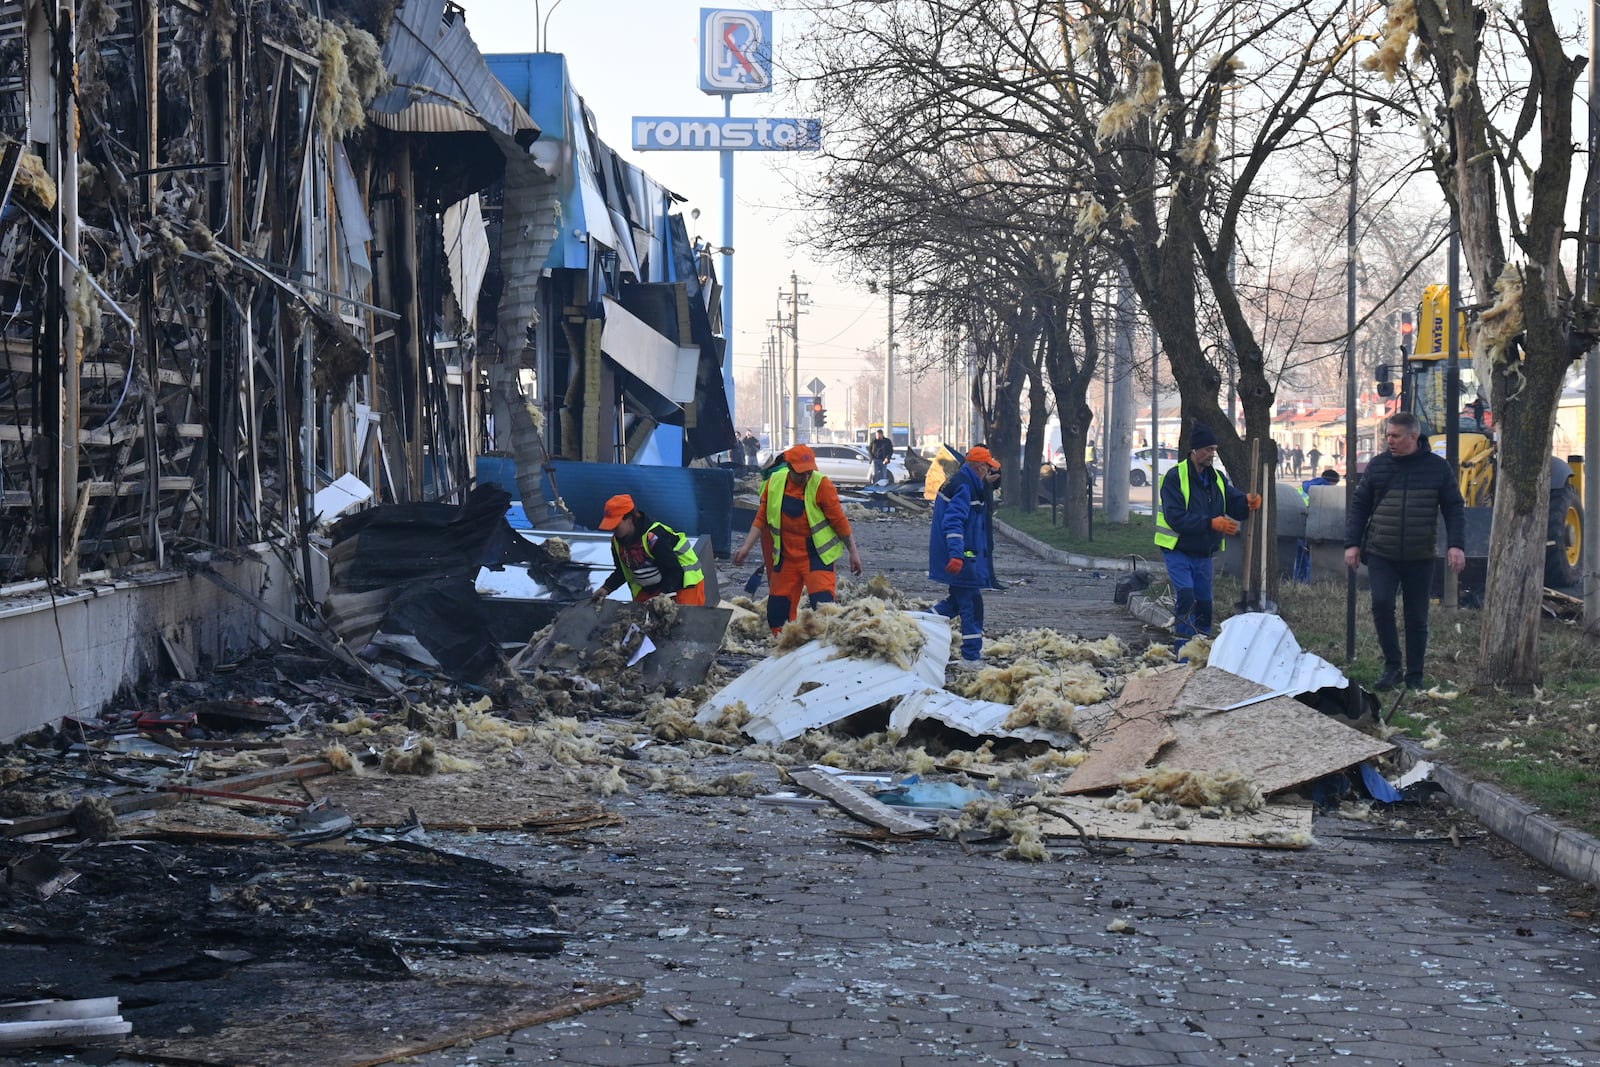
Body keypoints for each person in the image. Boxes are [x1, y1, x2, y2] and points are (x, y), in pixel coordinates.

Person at [1344, 412, 1466, 691]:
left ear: (1413, 436)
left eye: (1396, 436)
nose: (1390, 441)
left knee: (1416, 616)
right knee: (1382, 605)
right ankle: (1392, 667)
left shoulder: (1438, 468)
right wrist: (1351, 543)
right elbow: (1359, 505)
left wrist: (1456, 545)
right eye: (1387, 435)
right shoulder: (1378, 466)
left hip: (1419, 555)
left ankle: (1415, 675)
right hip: (1381, 553)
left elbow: (1454, 508)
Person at [732, 444, 863, 634]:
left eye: (809, 472)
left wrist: (854, 553)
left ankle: (821, 652)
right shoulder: (775, 482)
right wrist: (746, 548)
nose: (806, 477)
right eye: (801, 473)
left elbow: (840, 523)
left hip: (816, 557)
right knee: (777, 614)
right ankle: (784, 647)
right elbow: (761, 519)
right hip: (786, 559)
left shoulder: (822, 485)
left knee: (824, 609)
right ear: (789, 468)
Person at [1154, 424, 1258, 644]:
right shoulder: (1175, 477)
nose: (1212, 454)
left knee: (1204, 603)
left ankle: (1201, 645)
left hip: (1203, 552)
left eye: (1214, 450)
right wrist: (1211, 523)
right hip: (1178, 548)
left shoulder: (1217, 478)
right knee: (1186, 595)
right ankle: (1183, 646)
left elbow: (1234, 504)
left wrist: (1248, 503)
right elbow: (1176, 517)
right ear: (1194, 450)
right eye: (1208, 449)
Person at [929, 446, 1002, 666]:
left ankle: (918, 624)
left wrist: (986, 485)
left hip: (962, 556)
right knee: (971, 605)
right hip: (962, 558)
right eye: (988, 467)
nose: (989, 471)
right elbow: (954, 522)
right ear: (979, 466)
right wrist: (957, 555)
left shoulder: (964, 482)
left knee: (954, 604)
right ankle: (971, 657)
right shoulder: (964, 487)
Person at [592, 495, 706, 606]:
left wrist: (663, 596)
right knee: (641, 620)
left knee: (682, 621)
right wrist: (606, 588)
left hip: (684, 582)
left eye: (616, 525)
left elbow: (674, 570)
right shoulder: (616, 543)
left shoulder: (654, 537)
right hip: (652, 586)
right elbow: (622, 571)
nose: (613, 530)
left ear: (630, 519)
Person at [1293, 469, 1341, 583]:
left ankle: (1297, 583)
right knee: (1311, 558)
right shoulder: (1324, 490)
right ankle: (1309, 583)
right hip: (1312, 527)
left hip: (1298, 526)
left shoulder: (1305, 486)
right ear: (1332, 482)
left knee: (1299, 558)